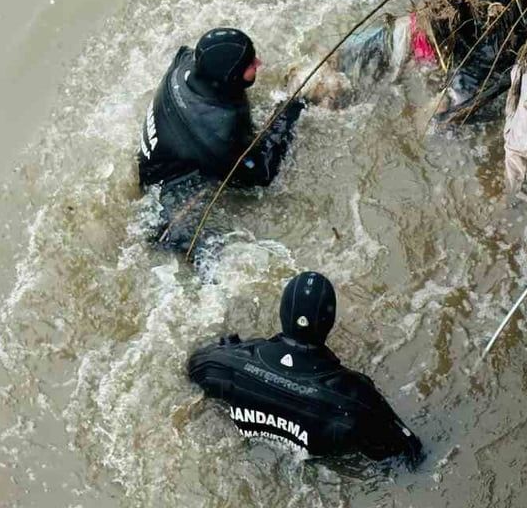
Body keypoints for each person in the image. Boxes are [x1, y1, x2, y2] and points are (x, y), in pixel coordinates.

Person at [187, 271, 425, 467]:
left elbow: (192, 367)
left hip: (245, 463)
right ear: (329, 323)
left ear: (282, 313)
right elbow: (409, 454)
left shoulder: (221, 362)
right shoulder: (355, 400)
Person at [138, 28, 305, 254]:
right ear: (231, 76)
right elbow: (260, 174)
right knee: (213, 254)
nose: (259, 62)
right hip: (171, 204)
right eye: (249, 63)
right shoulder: (216, 135)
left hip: (168, 151)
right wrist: (292, 105)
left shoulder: (185, 64)